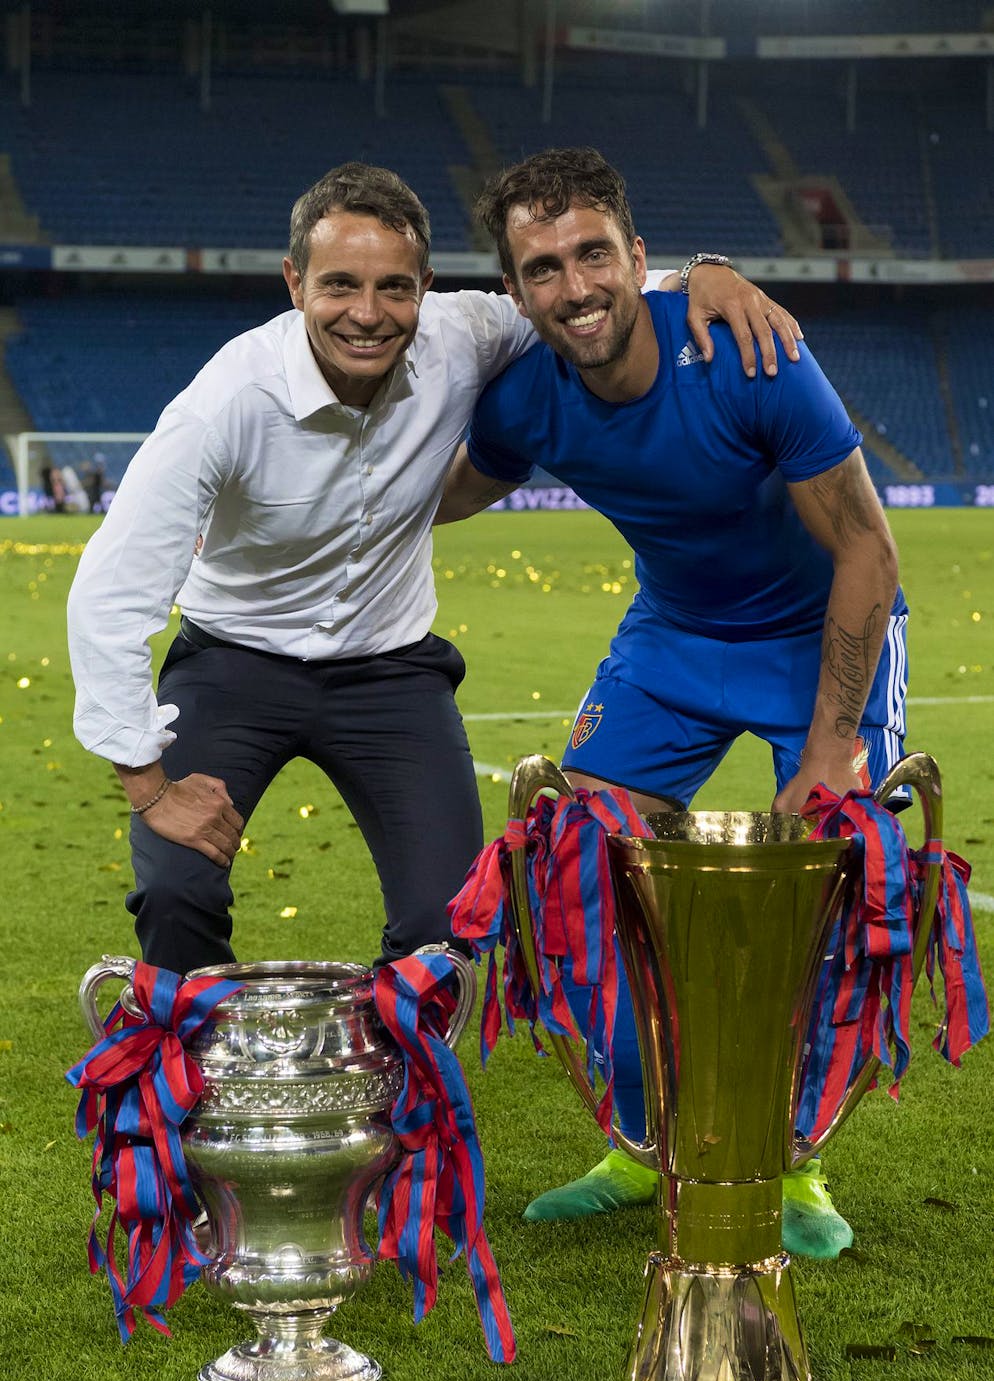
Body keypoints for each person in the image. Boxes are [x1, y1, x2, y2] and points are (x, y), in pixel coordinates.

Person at [67, 161, 797, 983]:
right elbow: (110, 594)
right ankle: (200, 1060)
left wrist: (704, 274)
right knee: (176, 888)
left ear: (428, 286)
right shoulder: (226, 404)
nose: (368, 315)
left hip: (390, 675)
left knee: (451, 923)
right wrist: (149, 787)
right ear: (293, 282)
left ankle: (399, 1072)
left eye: (395, 287)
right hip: (233, 662)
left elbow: (588, 293)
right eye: (339, 284)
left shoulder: (467, 333)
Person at [437, 147, 908, 1259]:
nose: (574, 286)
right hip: (673, 643)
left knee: (828, 876)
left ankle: (790, 1157)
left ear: (638, 260)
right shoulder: (521, 399)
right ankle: (641, 1137)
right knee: (573, 868)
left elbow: (866, 548)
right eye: (542, 268)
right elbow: (444, 489)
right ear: (515, 293)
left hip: (819, 636)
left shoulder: (745, 356)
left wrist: (832, 741)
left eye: (593, 253)